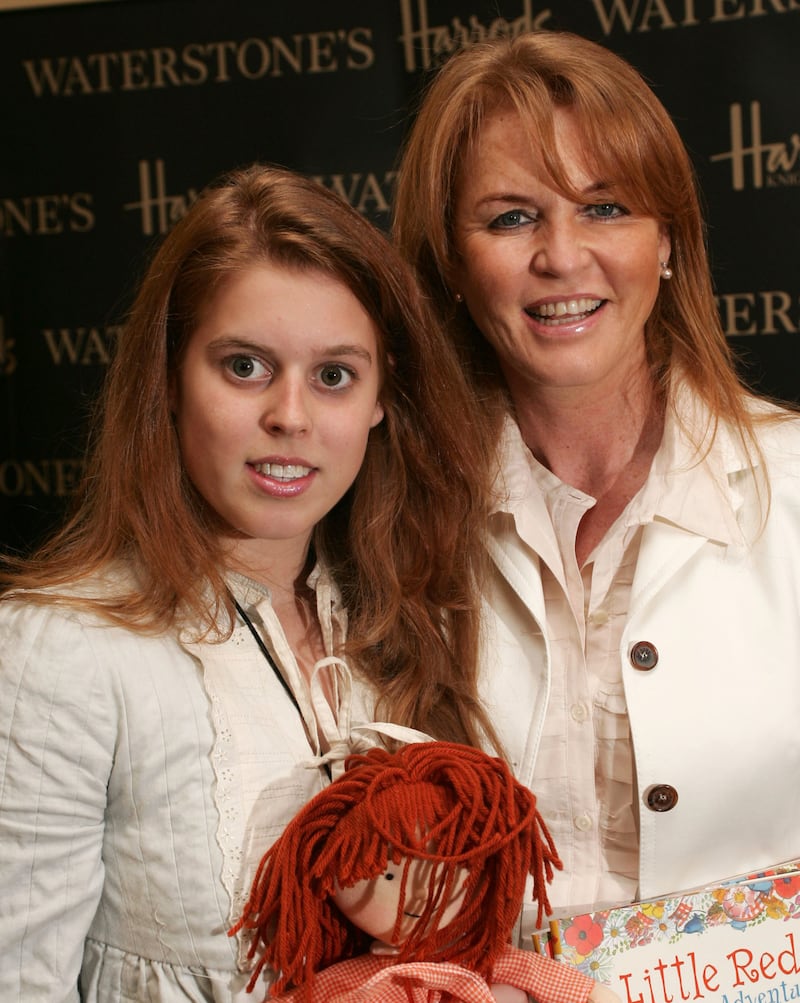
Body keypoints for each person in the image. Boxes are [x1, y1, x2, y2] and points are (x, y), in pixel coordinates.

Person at [0, 165, 503, 1001]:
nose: (290, 417)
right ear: (168, 377)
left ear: (382, 397)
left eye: (334, 375)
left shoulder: (403, 618)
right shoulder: (57, 648)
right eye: (245, 366)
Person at [392, 29, 800, 940]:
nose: (562, 255)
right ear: (451, 262)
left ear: (669, 240)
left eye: (605, 207)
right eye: (510, 218)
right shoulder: (385, 514)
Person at [232, 741, 618, 1003]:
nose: (418, 895)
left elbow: (557, 983)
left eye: (442, 874)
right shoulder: (353, 977)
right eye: (387, 876)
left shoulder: (490, 962)